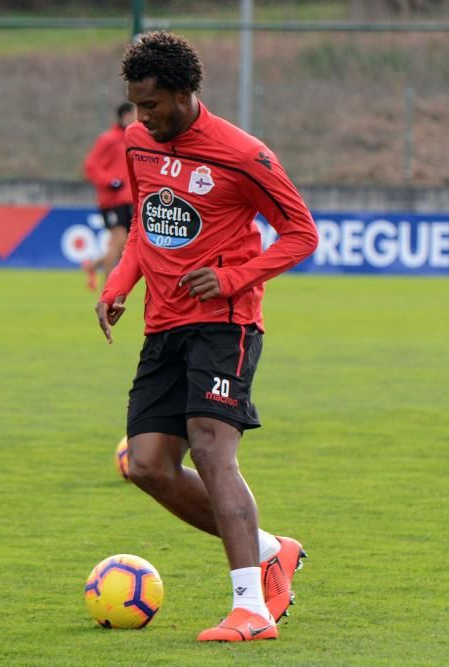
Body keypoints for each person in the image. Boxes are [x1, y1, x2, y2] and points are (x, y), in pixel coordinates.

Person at [95, 32, 319, 643]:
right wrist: (120, 283)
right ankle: (273, 548)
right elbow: (146, 223)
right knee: (147, 466)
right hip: (163, 325)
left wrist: (231, 278)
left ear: (186, 93)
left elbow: (301, 233)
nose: (142, 118)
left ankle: (250, 607)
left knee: (210, 446)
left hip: (228, 322)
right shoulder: (138, 143)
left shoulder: (243, 154)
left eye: (152, 106)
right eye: (136, 106)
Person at [82, 102, 137, 290]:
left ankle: (92, 266)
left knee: (123, 248)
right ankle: (109, 291)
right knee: (118, 242)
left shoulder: (135, 139)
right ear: (126, 116)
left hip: (129, 199)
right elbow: (90, 166)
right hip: (112, 200)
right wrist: (110, 181)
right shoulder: (109, 139)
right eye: (136, 114)